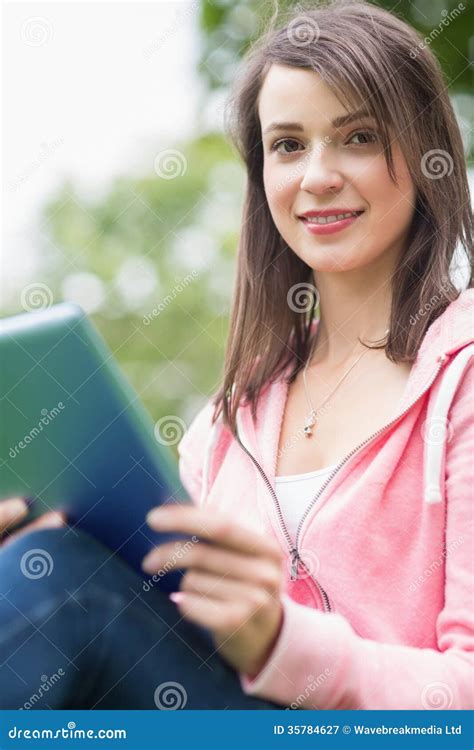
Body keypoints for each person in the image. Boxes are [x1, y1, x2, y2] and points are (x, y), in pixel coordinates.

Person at [1, 0, 473, 710]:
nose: (316, 176)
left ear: (425, 149)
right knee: (48, 567)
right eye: (287, 145)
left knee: (60, 589)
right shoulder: (227, 423)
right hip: (210, 717)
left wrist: (283, 643)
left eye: (358, 137)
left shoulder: (461, 379)